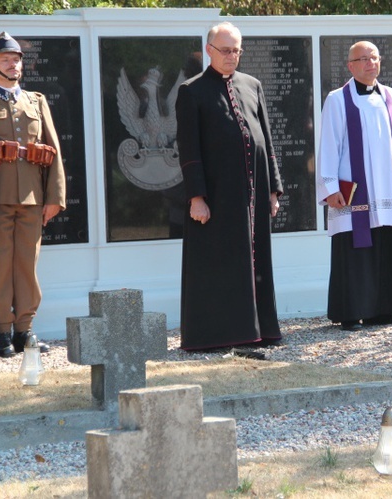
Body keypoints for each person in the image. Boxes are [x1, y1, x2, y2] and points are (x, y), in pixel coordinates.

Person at [175, 22, 283, 351]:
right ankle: (218, 335)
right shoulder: (192, 91)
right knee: (218, 265)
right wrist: (197, 197)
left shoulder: (252, 85)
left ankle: (258, 329)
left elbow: (266, 138)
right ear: (209, 50)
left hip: (252, 195)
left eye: (237, 50)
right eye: (226, 50)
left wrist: (273, 190)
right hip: (217, 198)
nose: (232, 56)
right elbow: (189, 149)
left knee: (255, 261)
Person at [0, 32, 66, 357]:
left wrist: (54, 196)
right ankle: (2, 331)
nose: (14, 64)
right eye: (6, 59)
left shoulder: (36, 102)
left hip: (32, 199)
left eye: (17, 58)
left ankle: (25, 329)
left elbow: (54, 150)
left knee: (26, 264)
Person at [316, 41, 392, 331]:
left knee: (386, 241)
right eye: (362, 59)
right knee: (355, 246)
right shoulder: (337, 100)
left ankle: (386, 309)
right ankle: (351, 311)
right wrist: (330, 187)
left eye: (374, 58)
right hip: (353, 189)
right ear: (350, 66)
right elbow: (329, 146)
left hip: (387, 187)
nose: (370, 63)